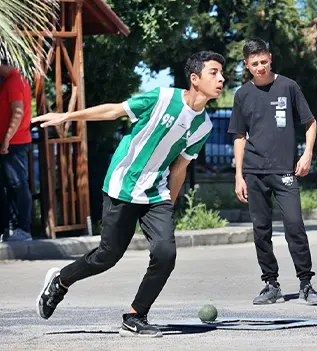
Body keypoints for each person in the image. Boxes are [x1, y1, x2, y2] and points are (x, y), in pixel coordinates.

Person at [32, 51, 225, 337]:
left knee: (165, 253)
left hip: (156, 192)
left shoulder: (204, 126)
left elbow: (180, 167)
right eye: (214, 72)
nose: (221, 78)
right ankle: (60, 281)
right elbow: (114, 110)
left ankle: (136, 315)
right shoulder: (162, 98)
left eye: (222, 73)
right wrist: (67, 115)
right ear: (195, 79)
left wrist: (168, 206)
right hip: (123, 184)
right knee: (107, 256)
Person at [228, 38, 317, 306]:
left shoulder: (288, 87)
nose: (260, 67)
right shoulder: (242, 95)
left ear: (270, 58)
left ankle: (306, 284)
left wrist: (307, 154)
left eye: (263, 62)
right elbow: (239, 136)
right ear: (246, 65)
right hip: (254, 171)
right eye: (254, 64)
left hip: (285, 170)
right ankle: (271, 284)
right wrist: (239, 176)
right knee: (261, 230)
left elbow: (310, 122)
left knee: (294, 225)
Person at [0, 63, 34, 242]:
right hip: (14, 141)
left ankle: (24, 229)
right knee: (12, 186)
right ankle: (14, 228)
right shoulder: (13, 79)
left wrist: (6, 139)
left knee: (18, 185)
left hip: (15, 141)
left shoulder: (14, 81)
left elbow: (18, 112)